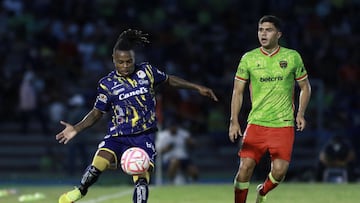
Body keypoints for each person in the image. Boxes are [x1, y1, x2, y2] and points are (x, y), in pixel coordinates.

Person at [56, 29, 218, 203]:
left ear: (134, 59)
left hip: (144, 135)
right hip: (117, 135)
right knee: (98, 165)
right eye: (121, 62)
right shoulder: (106, 84)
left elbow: (169, 79)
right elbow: (97, 113)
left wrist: (196, 87)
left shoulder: (147, 71)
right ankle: (80, 191)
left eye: (129, 61)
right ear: (113, 60)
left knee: (141, 180)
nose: (125, 66)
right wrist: (77, 128)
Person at [228, 15, 311, 203]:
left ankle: (262, 193)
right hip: (256, 123)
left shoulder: (292, 57)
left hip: (283, 124)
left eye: (268, 30)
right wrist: (234, 120)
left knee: (279, 172)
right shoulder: (248, 59)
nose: (263, 34)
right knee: (244, 169)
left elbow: (305, 87)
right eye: (260, 30)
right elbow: (237, 91)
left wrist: (301, 113)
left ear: (278, 34)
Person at [156, 118, 199, 185]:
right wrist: (167, 149)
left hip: (183, 158)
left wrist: (190, 142)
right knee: (175, 161)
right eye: (172, 126)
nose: (174, 128)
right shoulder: (162, 135)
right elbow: (158, 150)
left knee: (194, 171)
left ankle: (192, 182)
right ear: (168, 127)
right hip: (169, 158)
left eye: (175, 126)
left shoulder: (183, 133)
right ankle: (171, 181)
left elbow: (194, 144)